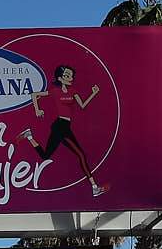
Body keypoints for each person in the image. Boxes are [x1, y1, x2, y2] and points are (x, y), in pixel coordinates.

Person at [22, 64, 107, 197]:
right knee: (81, 155)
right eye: (67, 75)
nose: (70, 77)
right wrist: (37, 109)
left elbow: (83, 105)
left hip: (64, 126)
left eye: (71, 75)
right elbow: (34, 94)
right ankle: (94, 187)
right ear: (60, 78)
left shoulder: (73, 91)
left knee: (45, 155)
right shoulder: (55, 91)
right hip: (60, 126)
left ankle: (29, 136)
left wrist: (93, 93)